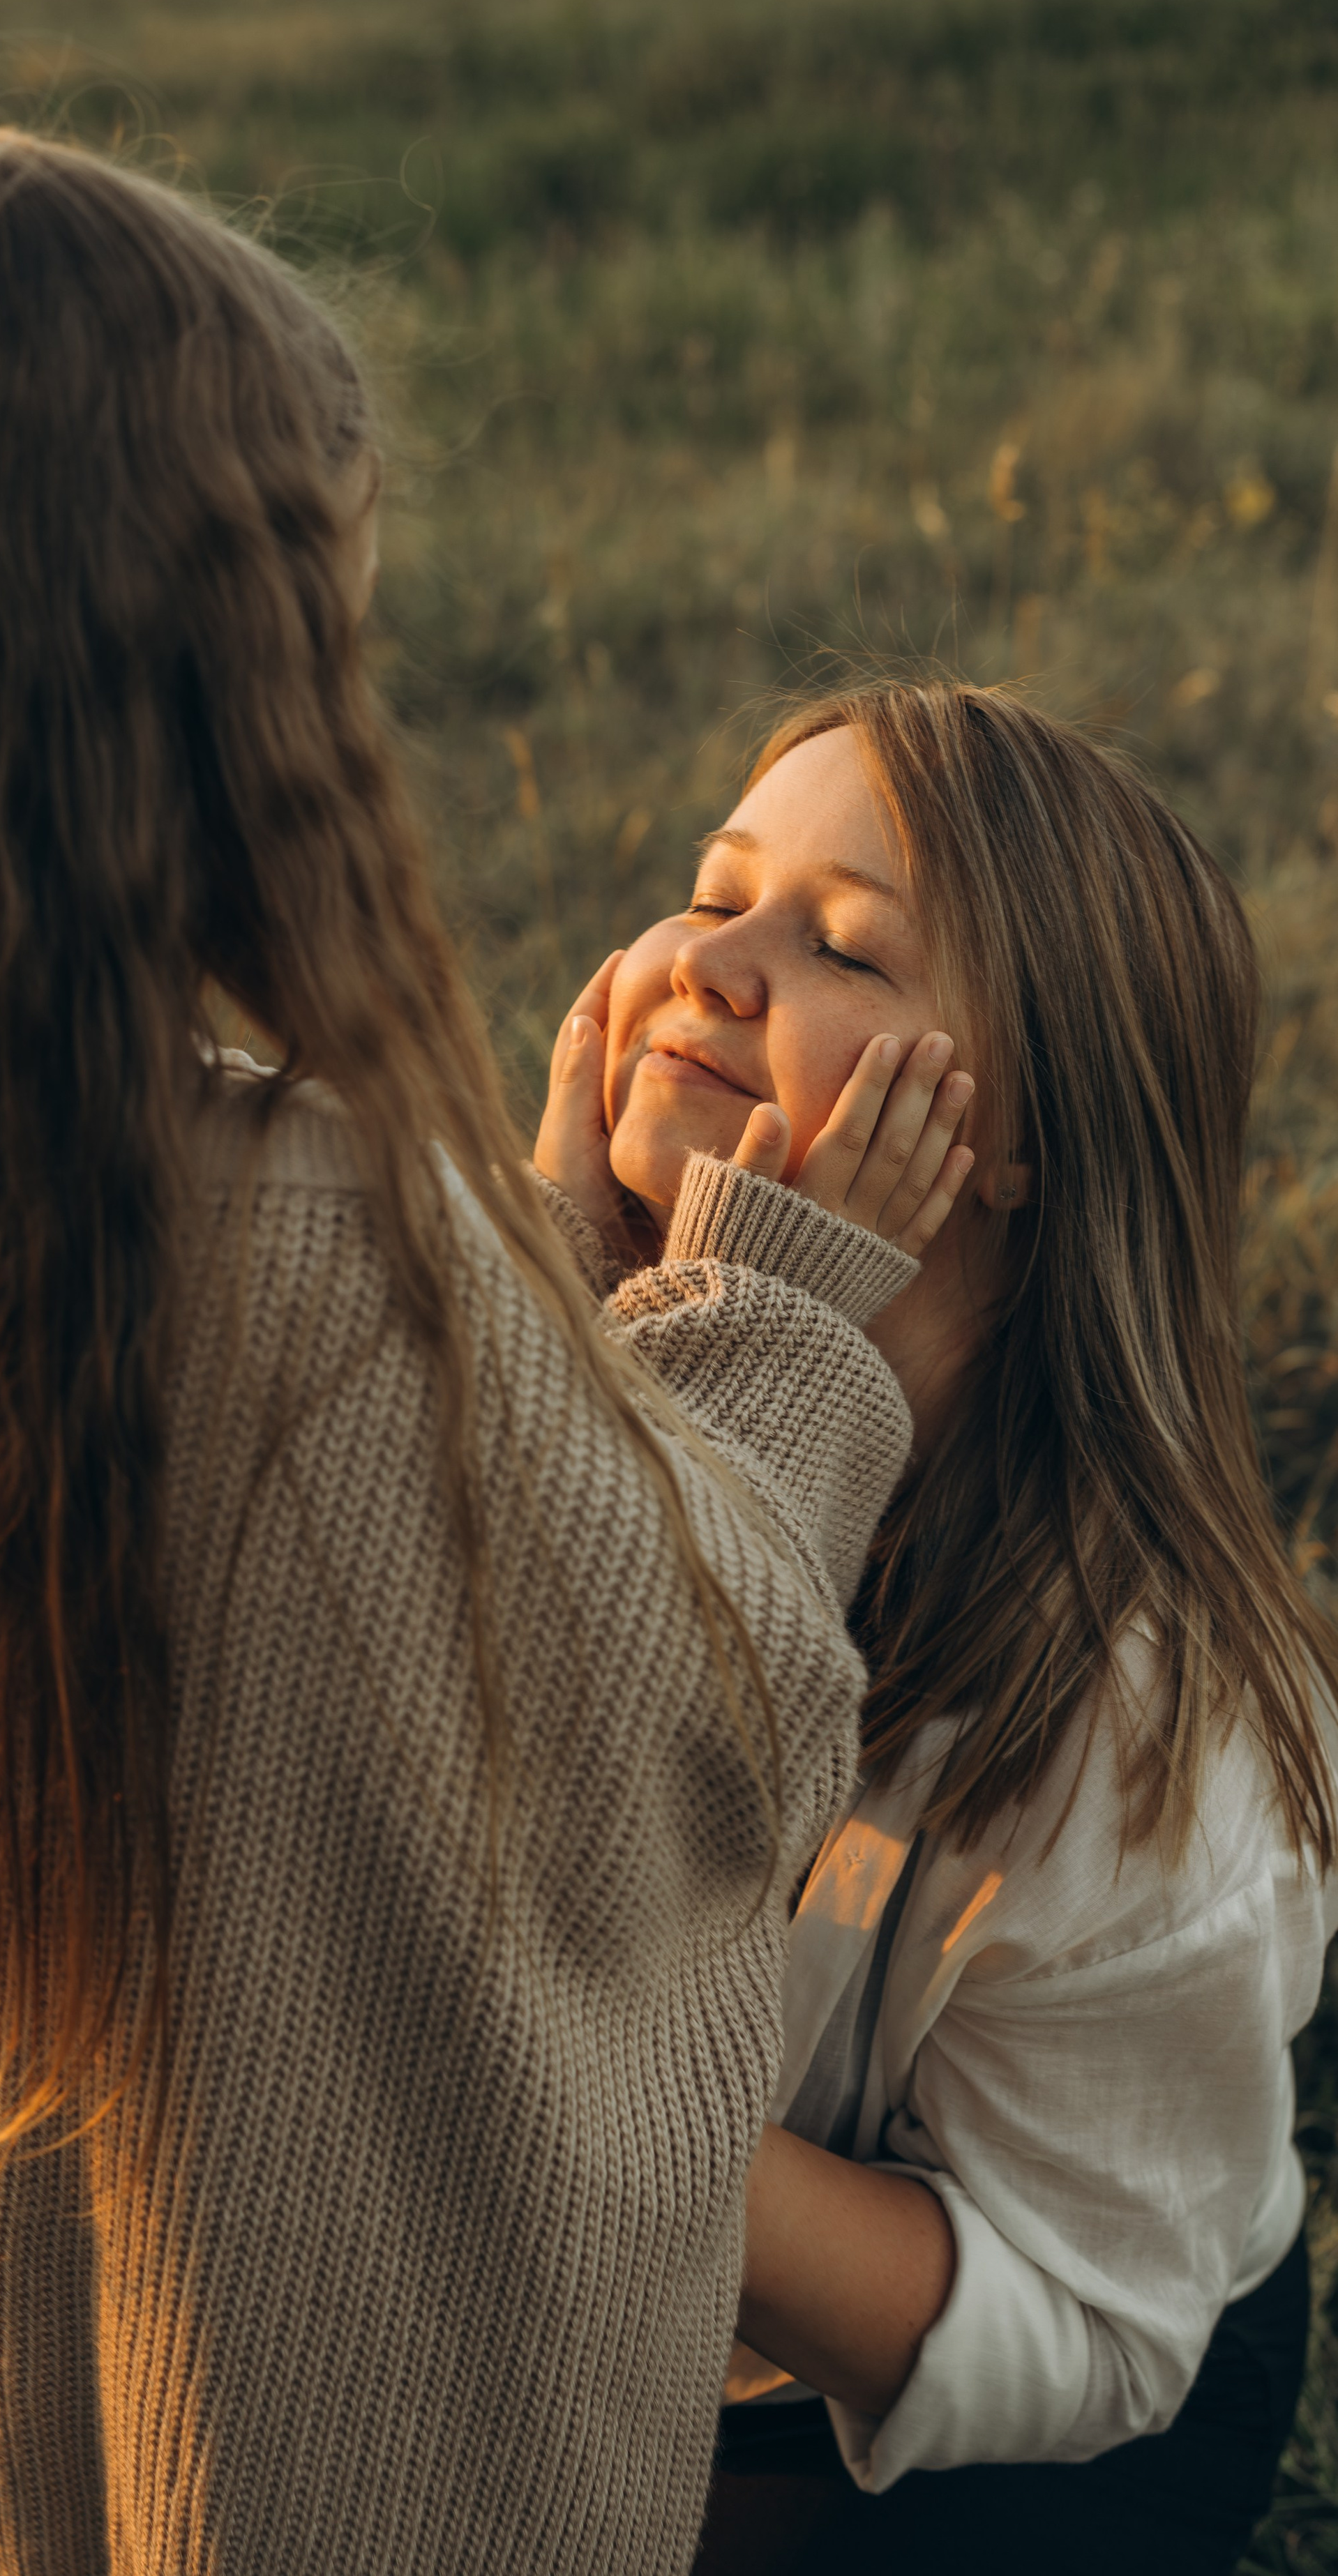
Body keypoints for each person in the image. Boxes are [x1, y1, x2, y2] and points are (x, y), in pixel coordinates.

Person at [0, 132, 979, 2576]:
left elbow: (324, 1682)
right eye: (319, 631)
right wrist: (761, 1326)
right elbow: (693, 1746)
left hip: (58, 2477)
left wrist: (529, 1288)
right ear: (204, 695)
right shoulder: (347, 1255)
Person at [533, 681, 1338, 2576]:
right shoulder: (585, 1371)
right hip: (634, 2239)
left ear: (1023, 1137)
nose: (708, 962)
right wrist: (533, 1291)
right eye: (714, 888)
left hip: (1002, 2395)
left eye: (841, 946)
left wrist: (542, 2085)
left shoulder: (1144, 1731)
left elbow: (1083, 2320)